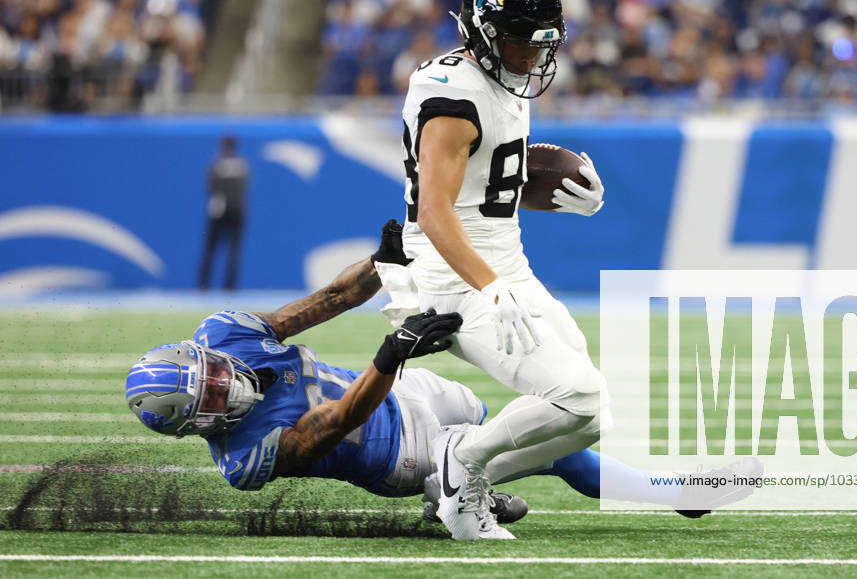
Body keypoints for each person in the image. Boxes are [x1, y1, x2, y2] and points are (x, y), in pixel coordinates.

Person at [126, 220, 761, 540]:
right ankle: (677, 492)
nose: (223, 387)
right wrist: (392, 352)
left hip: (406, 396)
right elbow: (337, 421)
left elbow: (324, 300)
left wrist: (384, 262)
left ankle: (458, 493)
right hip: (393, 454)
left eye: (209, 376)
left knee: (551, 439)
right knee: (538, 451)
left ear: (200, 353)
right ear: (198, 427)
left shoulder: (227, 334)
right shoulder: (242, 456)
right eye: (209, 400)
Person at [397, 0, 614, 540]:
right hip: (454, 274)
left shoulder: (501, 78)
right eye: (520, 44)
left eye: (542, 45)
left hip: (503, 262)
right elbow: (435, 210)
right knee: (577, 395)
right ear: (482, 30)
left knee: (592, 416)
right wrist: (488, 287)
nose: (531, 58)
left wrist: (566, 198)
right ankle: (461, 462)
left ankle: (460, 478)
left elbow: (490, 189)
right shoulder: (453, 94)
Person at [198, 135, 248, 290]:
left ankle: (204, 285)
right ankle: (229, 287)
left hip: (220, 211)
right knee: (233, 251)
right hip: (238, 211)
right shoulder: (242, 165)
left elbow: (210, 187)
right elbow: (245, 189)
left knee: (212, 249)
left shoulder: (217, 165)